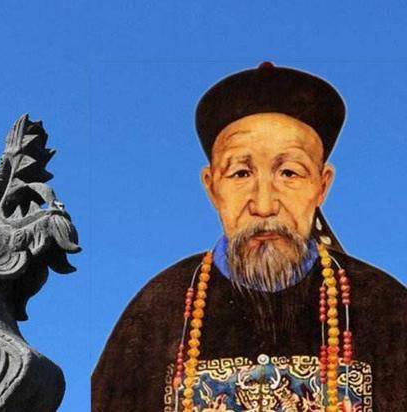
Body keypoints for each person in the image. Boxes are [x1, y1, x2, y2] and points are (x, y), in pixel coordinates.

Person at [92, 63, 407, 412]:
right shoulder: (156, 313)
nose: (264, 204)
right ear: (212, 187)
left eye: (290, 173)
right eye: (241, 173)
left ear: (322, 185)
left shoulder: (386, 308)